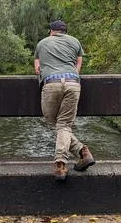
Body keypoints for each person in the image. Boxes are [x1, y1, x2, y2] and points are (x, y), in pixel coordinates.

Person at [34, 20, 95, 181]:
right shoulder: (75, 41)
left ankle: (60, 164)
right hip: (73, 83)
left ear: (51, 31)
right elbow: (78, 66)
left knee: (53, 122)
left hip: (52, 84)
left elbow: (37, 68)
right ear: (65, 32)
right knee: (64, 125)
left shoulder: (42, 43)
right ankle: (83, 152)